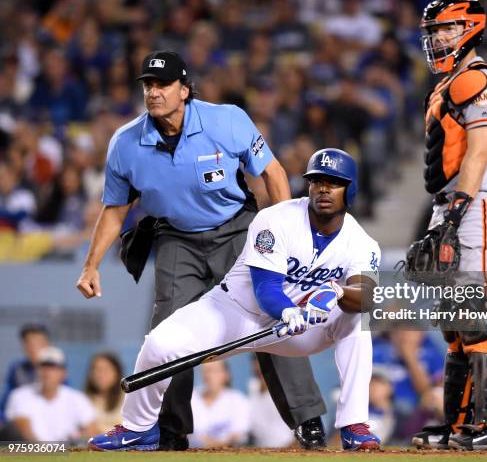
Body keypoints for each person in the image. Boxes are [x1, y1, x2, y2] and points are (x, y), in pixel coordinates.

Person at [75, 50, 327, 450]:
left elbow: (273, 173)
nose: (153, 92)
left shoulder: (226, 119)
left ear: (185, 89)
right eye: (147, 85)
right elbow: (114, 209)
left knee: (271, 314)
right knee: (168, 332)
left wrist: (284, 240)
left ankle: (307, 420)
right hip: (177, 239)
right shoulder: (126, 143)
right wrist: (91, 266)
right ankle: (171, 430)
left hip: (237, 231)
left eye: (162, 84)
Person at [87, 148, 382, 452]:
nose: (323, 188)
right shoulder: (276, 220)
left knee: (358, 320)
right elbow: (266, 289)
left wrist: (338, 292)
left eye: (333, 182)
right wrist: (287, 310)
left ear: (351, 189)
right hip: (235, 311)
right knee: (160, 344)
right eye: (316, 180)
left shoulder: (361, 243)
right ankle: (138, 428)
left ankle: (353, 425)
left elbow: (368, 297)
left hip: (301, 329)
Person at [407, 0, 487, 450]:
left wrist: (455, 213)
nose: (437, 39)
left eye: (447, 30)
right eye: (434, 31)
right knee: (453, 323)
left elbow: (477, 152)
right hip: (452, 205)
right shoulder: (449, 83)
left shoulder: (483, 81)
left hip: (479, 204)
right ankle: (460, 425)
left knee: (474, 316)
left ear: (470, 28)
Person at [4, 346, 97, 443]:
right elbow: (22, 429)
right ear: (37, 370)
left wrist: (78, 440)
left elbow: (91, 429)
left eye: (54, 367)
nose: (48, 372)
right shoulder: (20, 395)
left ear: (64, 373)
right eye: (44, 366)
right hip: (32, 452)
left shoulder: (78, 398)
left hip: (67, 451)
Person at [188, 361, 250, 448]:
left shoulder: (238, 400)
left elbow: (238, 435)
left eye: (214, 371)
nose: (208, 376)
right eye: (206, 371)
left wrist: (211, 444)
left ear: (226, 375)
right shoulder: (190, 398)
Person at [0, 324, 50, 422]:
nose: (33, 348)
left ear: (47, 344)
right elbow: (5, 404)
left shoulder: (56, 369)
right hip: (20, 423)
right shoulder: (17, 369)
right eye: (29, 343)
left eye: (38, 343)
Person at [84, 353, 124, 431]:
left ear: (116, 373)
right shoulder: (83, 400)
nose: (100, 375)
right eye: (96, 370)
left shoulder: (128, 399)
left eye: (105, 370)